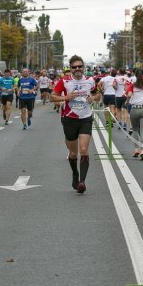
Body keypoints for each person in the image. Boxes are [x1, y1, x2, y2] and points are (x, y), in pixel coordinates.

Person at [50, 55, 100, 193]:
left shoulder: (90, 80)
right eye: (74, 67)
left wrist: (93, 98)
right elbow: (52, 97)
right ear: (70, 68)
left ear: (83, 67)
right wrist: (65, 97)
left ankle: (82, 182)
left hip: (85, 118)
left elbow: (97, 95)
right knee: (73, 153)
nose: (77, 69)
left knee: (83, 150)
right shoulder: (64, 81)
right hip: (69, 119)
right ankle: (75, 174)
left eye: (80, 66)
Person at [125, 68, 143, 160]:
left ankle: (136, 149)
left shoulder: (132, 86)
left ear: (135, 76)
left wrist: (127, 101)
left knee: (135, 130)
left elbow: (129, 95)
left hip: (135, 109)